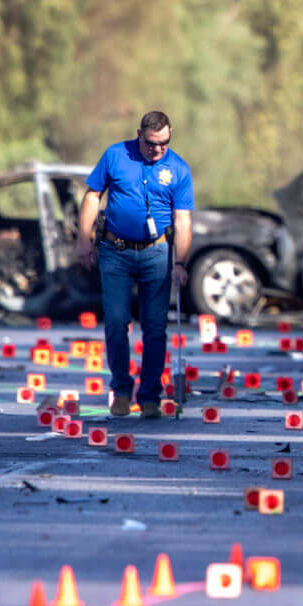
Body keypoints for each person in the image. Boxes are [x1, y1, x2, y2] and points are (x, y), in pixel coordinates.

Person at [76, 111, 195, 418]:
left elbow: (182, 219)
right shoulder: (115, 155)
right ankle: (121, 389)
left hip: (157, 254)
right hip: (115, 251)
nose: (158, 149)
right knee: (116, 321)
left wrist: (180, 261)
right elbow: (92, 196)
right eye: (153, 143)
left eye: (165, 143)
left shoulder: (179, 169)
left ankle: (150, 396)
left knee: (155, 327)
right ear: (139, 135)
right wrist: (84, 240)